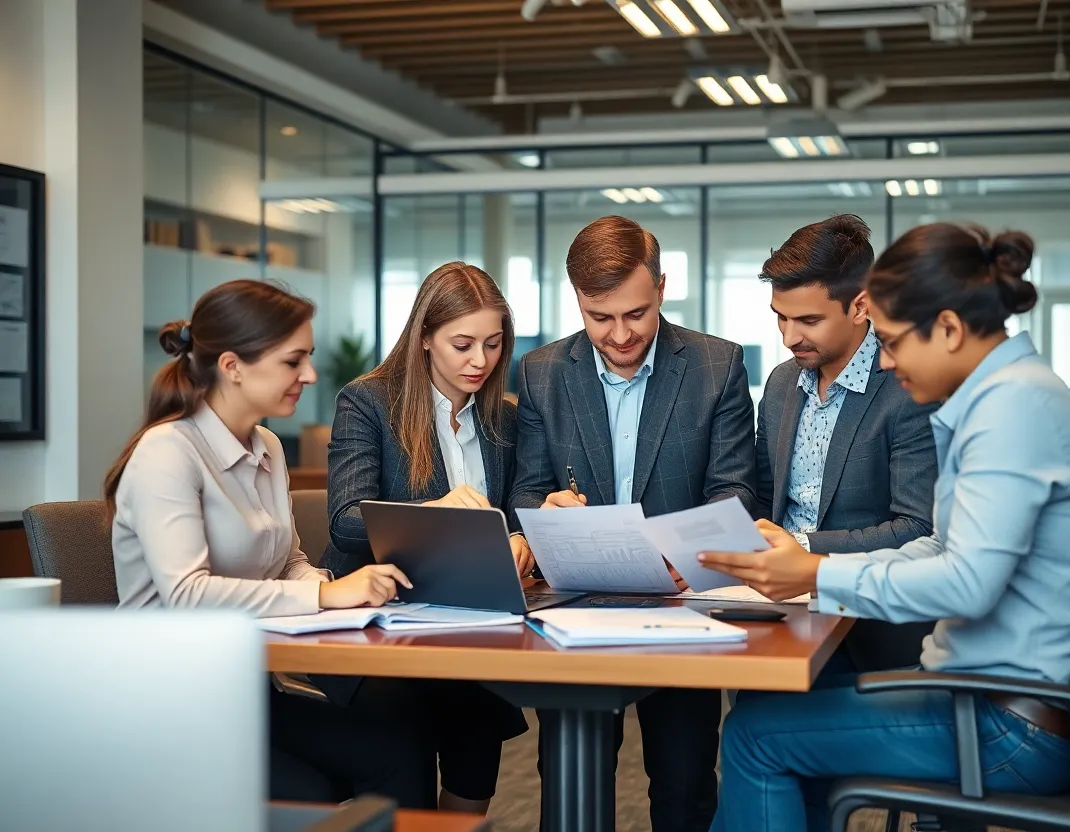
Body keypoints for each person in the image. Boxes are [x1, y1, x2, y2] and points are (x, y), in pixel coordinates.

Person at [699, 223, 1070, 832]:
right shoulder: (1009, 396)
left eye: (895, 341)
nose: (889, 360)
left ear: (949, 329)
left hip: (1013, 723)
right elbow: (941, 546)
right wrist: (814, 572)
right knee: (774, 718)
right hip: (1003, 699)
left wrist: (816, 569)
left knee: (755, 738)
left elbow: (967, 583)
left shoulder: (1010, 411)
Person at [106, 279, 427, 807]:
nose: (310, 375)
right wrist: (324, 597)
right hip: (170, 704)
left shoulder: (268, 446)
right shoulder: (167, 452)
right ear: (232, 366)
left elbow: (289, 563)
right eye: (292, 361)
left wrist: (338, 586)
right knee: (312, 791)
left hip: (244, 691)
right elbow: (186, 594)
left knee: (398, 747)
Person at [509, 215, 758, 832]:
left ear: (662, 288)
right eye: (600, 317)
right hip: (576, 607)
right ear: (578, 301)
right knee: (572, 784)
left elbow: (735, 492)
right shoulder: (542, 373)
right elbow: (527, 488)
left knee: (684, 786)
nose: (620, 334)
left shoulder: (715, 365)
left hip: (683, 607)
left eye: (636, 313)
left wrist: (686, 553)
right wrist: (542, 512)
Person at [318, 262, 529, 815]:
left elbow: (509, 513)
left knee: (480, 707)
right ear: (425, 340)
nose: (479, 361)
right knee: (418, 720)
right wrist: (434, 510)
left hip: (464, 620)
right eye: (462, 344)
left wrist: (518, 536)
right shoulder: (369, 402)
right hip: (376, 624)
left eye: (492, 343)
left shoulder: (501, 420)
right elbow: (344, 519)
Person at [755, 215, 937, 673]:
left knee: (759, 736)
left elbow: (918, 527)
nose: (789, 337)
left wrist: (801, 549)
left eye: (808, 320)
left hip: (870, 629)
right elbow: (762, 498)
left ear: (860, 307)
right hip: (777, 615)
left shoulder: (906, 386)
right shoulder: (781, 384)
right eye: (781, 318)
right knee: (752, 723)